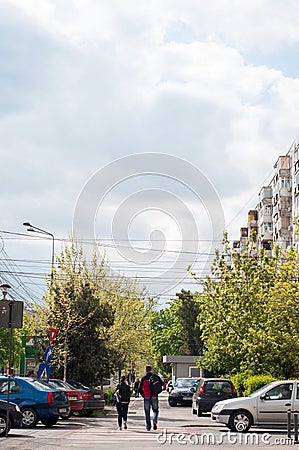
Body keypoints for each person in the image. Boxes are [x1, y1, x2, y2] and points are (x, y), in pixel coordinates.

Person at [138, 365, 163, 431]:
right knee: (155, 410)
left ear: (146, 370)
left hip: (146, 396)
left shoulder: (143, 378)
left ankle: (148, 426)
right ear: (151, 369)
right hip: (154, 396)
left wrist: (143, 395)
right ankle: (154, 420)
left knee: (147, 412)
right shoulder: (155, 377)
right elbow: (162, 384)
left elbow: (139, 389)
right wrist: (157, 392)